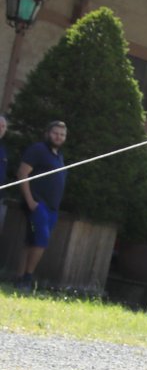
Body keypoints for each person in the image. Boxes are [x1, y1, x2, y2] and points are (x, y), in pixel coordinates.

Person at [16, 120, 67, 292]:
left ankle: (20, 278)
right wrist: (30, 201)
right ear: (47, 133)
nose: (58, 137)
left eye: (62, 135)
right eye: (55, 133)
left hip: (52, 208)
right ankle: (27, 279)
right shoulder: (38, 149)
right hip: (38, 205)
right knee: (41, 240)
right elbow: (22, 173)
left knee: (31, 241)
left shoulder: (59, 156)